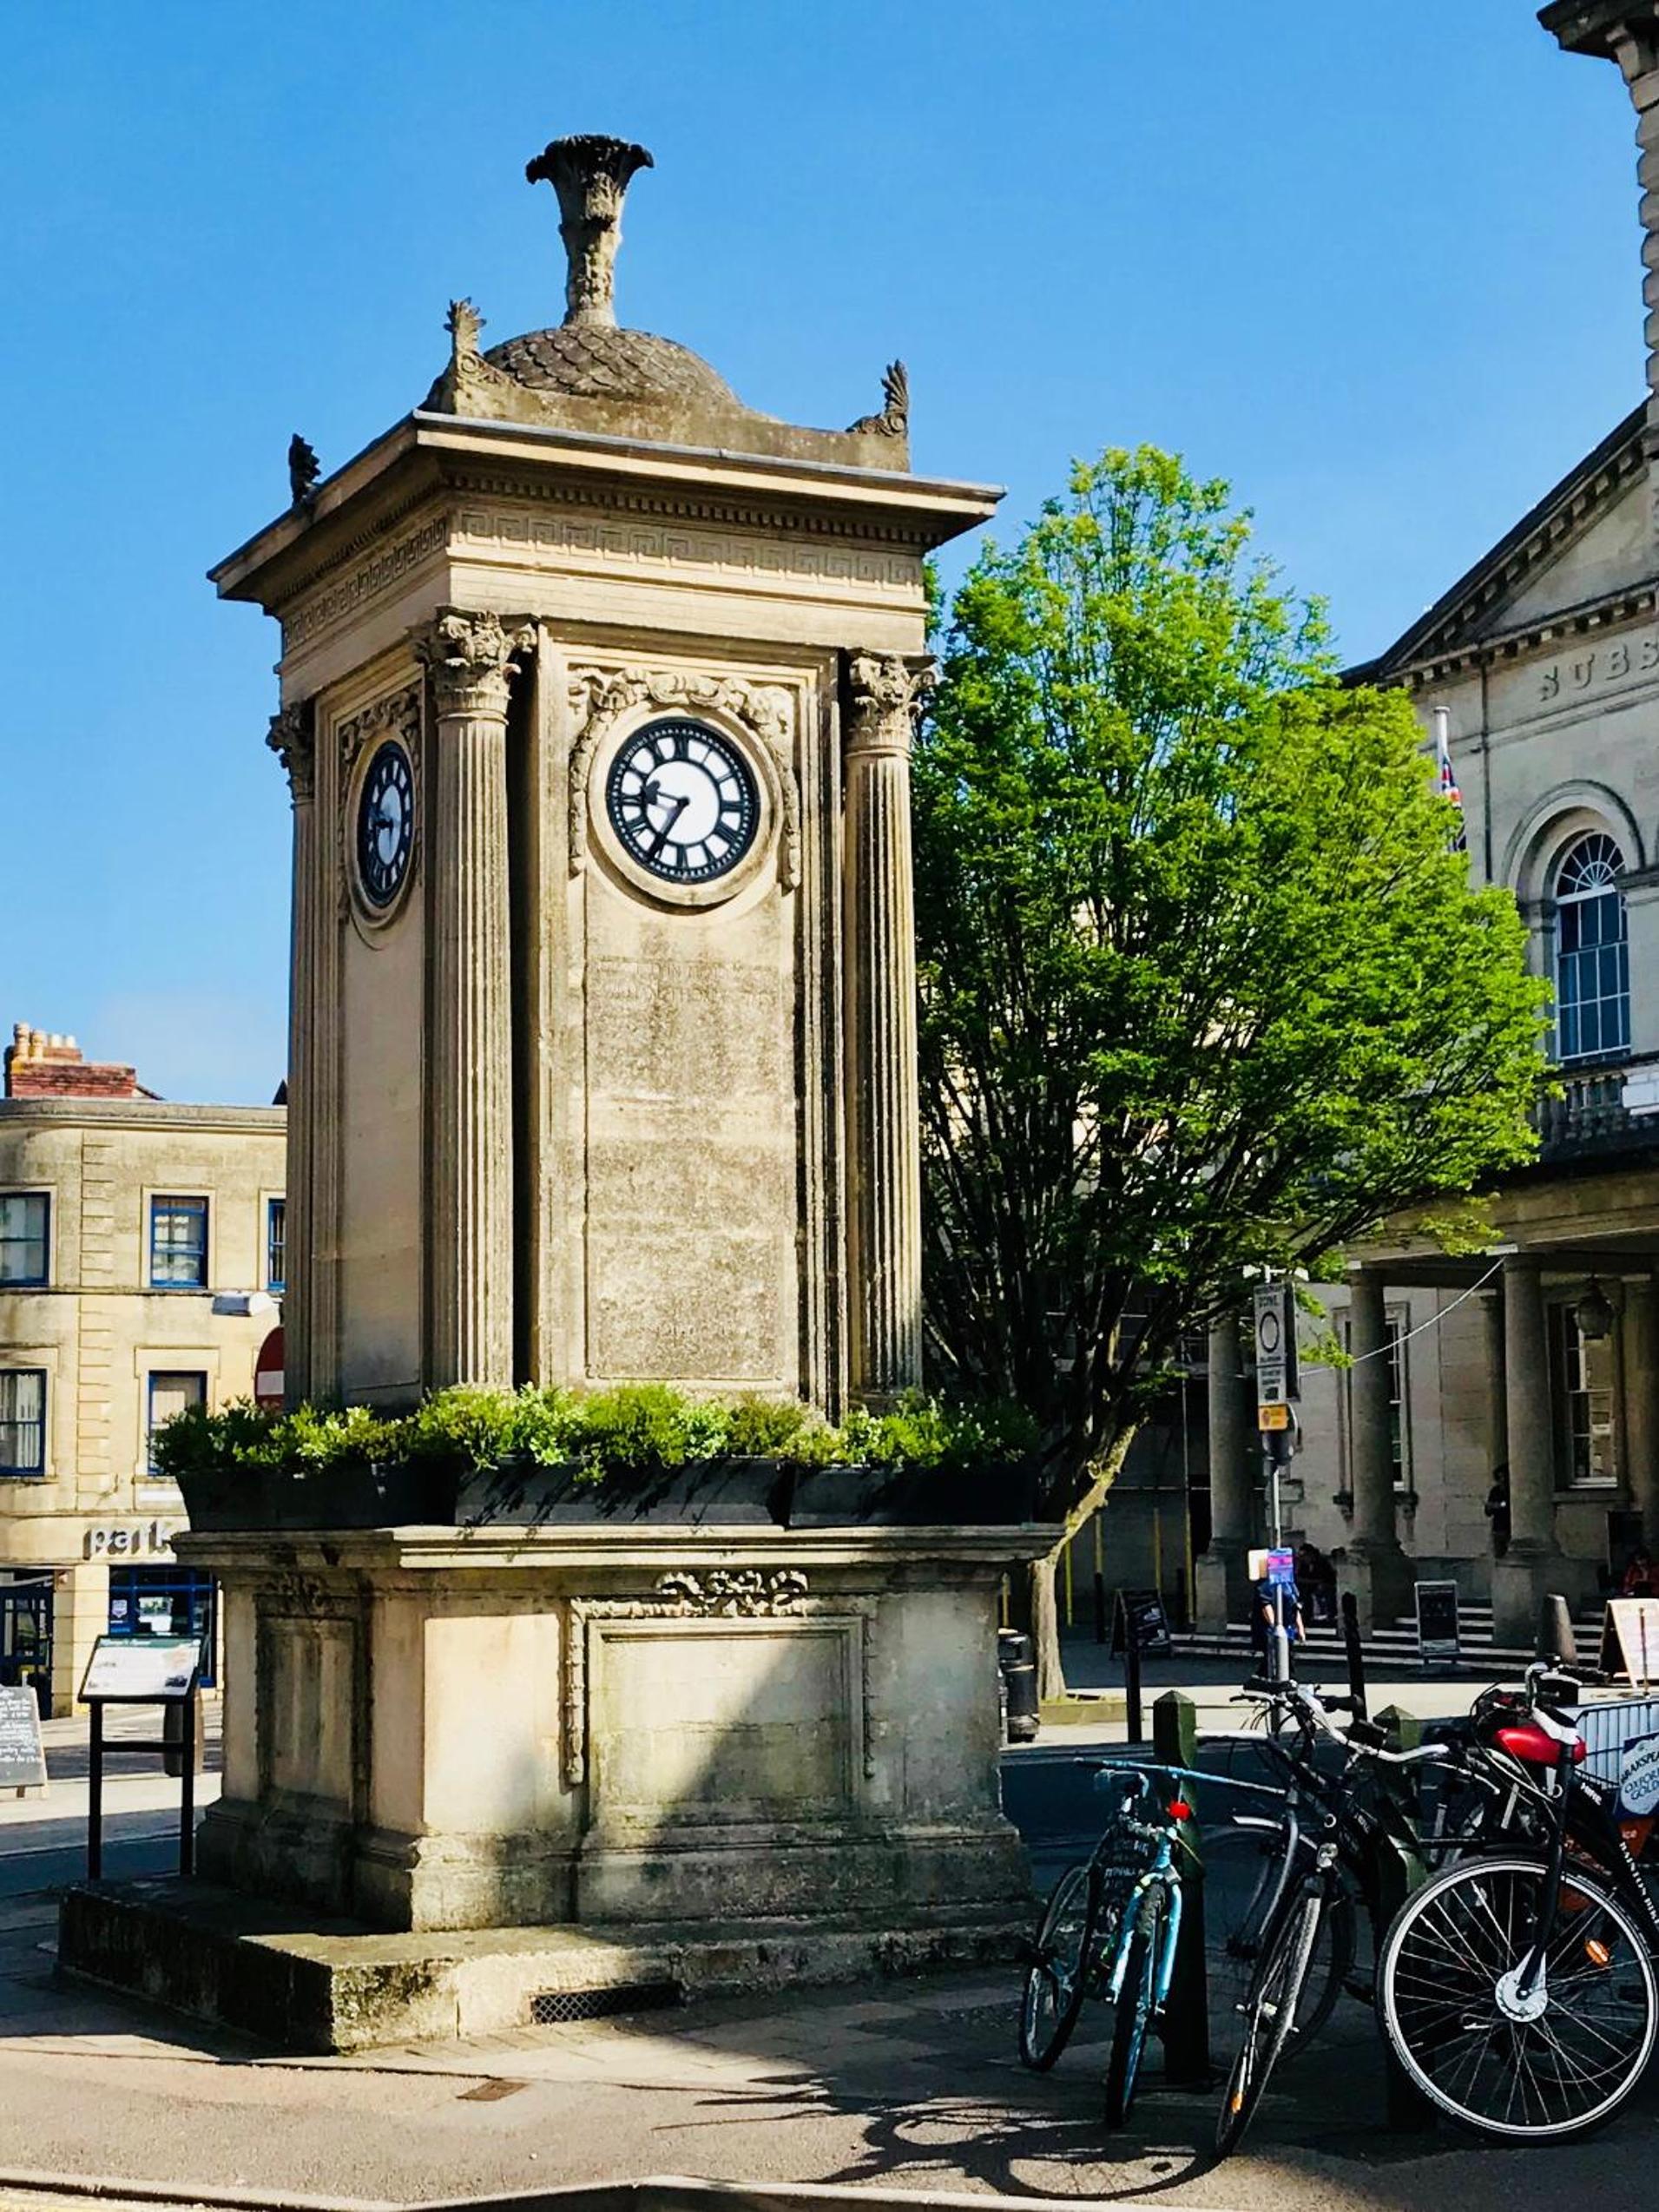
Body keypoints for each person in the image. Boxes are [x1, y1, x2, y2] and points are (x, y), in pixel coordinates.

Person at [1249, 1566, 1301, 1673]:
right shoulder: (1266, 1584)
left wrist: (1300, 1627)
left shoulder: (1289, 1583)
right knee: (1274, 1654)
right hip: (1270, 1629)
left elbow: (1295, 1606)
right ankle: (1268, 1677)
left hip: (1288, 1627)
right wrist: (1274, 1626)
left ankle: (1279, 1677)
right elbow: (1265, 1606)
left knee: (1286, 1654)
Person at [1295, 1542, 1337, 1626]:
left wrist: (1318, 1583)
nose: (1303, 1558)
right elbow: (1299, 1577)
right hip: (1309, 1586)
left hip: (1324, 1585)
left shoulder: (1322, 1562)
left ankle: (1330, 1615)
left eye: (1305, 1556)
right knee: (1304, 1594)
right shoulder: (1303, 1564)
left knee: (1326, 1591)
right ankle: (1306, 1616)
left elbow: (1328, 1577)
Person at [1485, 1465, 1511, 1559]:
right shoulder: (1495, 1491)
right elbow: (1488, 1512)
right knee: (1499, 1555)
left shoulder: (1512, 1490)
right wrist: (1491, 1506)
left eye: (1504, 1476)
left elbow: (1509, 1505)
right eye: (1500, 1477)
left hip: (1511, 1527)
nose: (1502, 1480)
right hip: (1498, 1528)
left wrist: (1499, 1505)